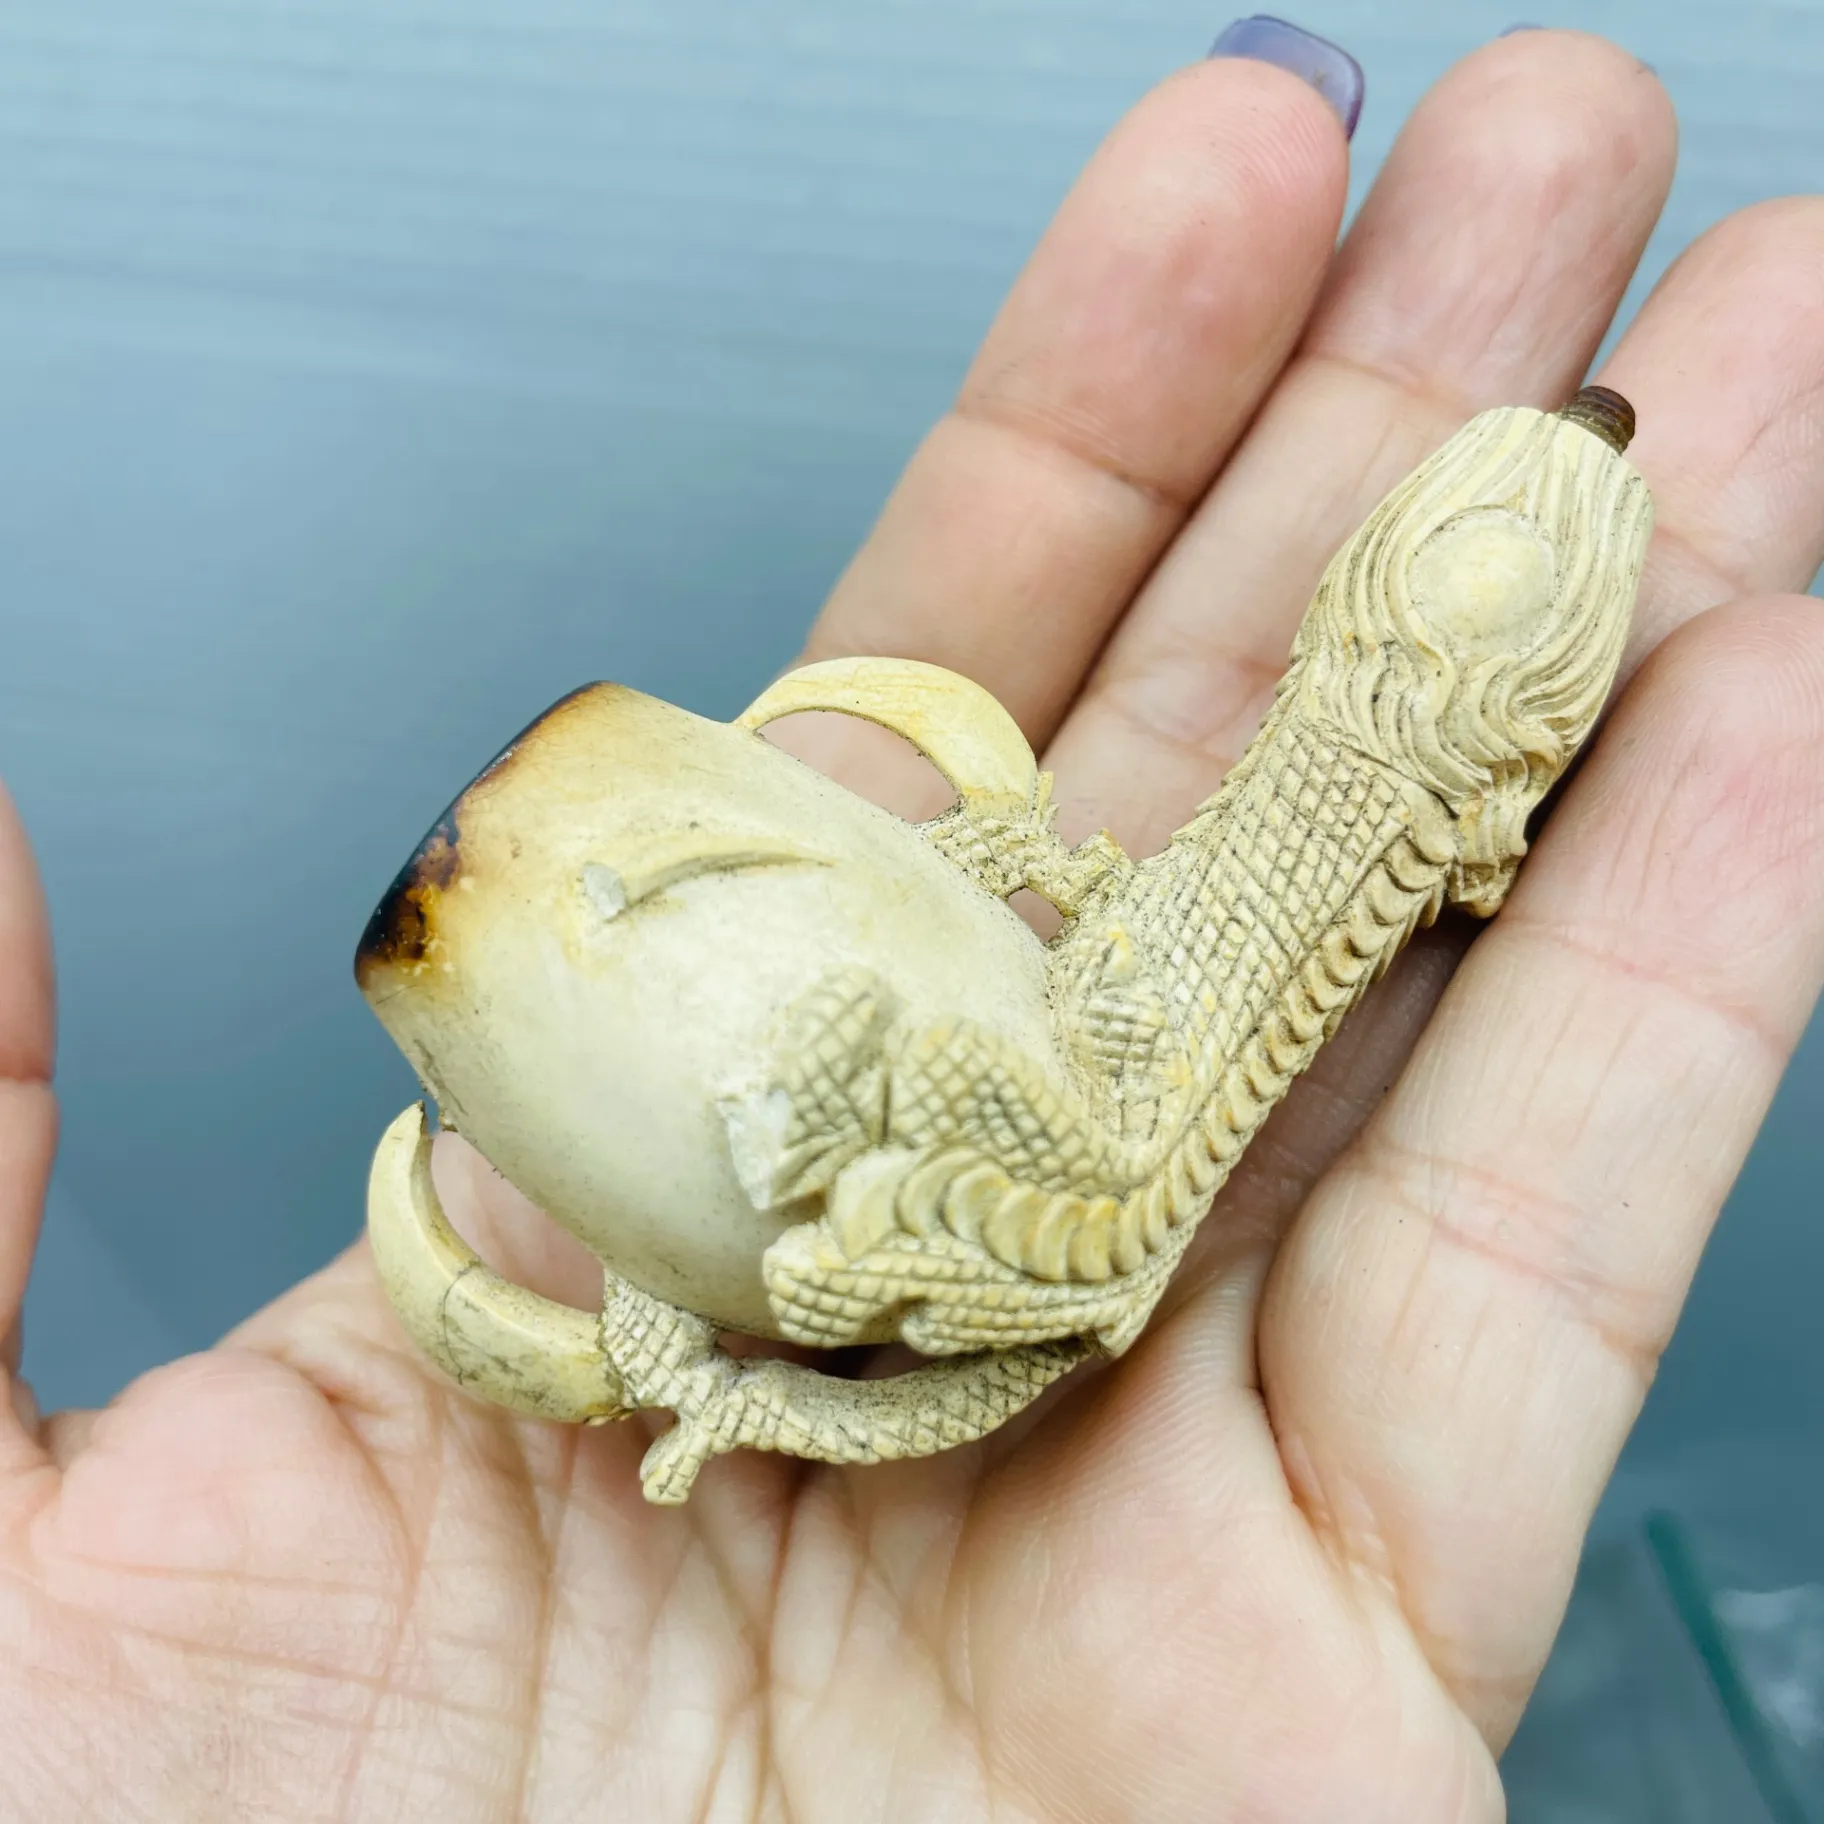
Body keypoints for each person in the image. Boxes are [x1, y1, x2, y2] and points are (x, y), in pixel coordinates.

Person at [2, 21, 1821, 1820]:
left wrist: (745, 1390)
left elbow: (973, 1325)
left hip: (1054, 1102)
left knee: (1032, 1210)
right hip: (1060, 1050)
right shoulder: (1233, 951)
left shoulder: (1077, 1186)